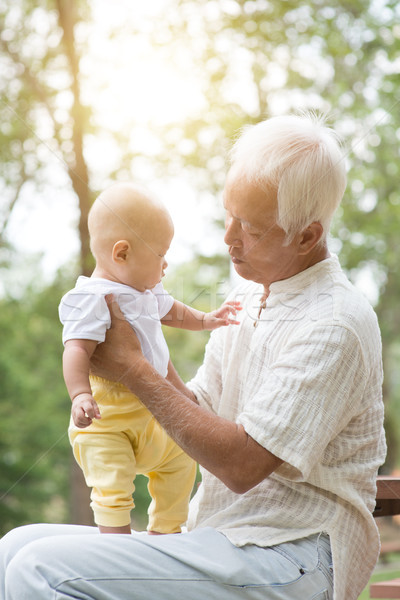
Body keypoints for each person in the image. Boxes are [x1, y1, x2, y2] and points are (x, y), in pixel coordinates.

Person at [0, 113, 386, 600]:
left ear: (306, 236)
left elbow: (243, 465)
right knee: (13, 550)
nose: (229, 237)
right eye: (229, 214)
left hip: (294, 555)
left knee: (40, 570)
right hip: (223, 539)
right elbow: (195, 410)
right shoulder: (248, 297)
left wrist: (136, 370)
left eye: (250, 227)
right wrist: (133, 341)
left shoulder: (335, 322)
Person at [58, 182, 241, 535]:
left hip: (152, 410)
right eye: (160, 253)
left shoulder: (145, 289)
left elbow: (172, 311)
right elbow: (76, 349)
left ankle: (166, 534)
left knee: (182, 457)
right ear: (122, 253)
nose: (166, 263)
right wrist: (80, 394)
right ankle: (117, 544)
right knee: (112, 485)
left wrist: (206, 319)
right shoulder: (91, 297)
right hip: (107, 415)